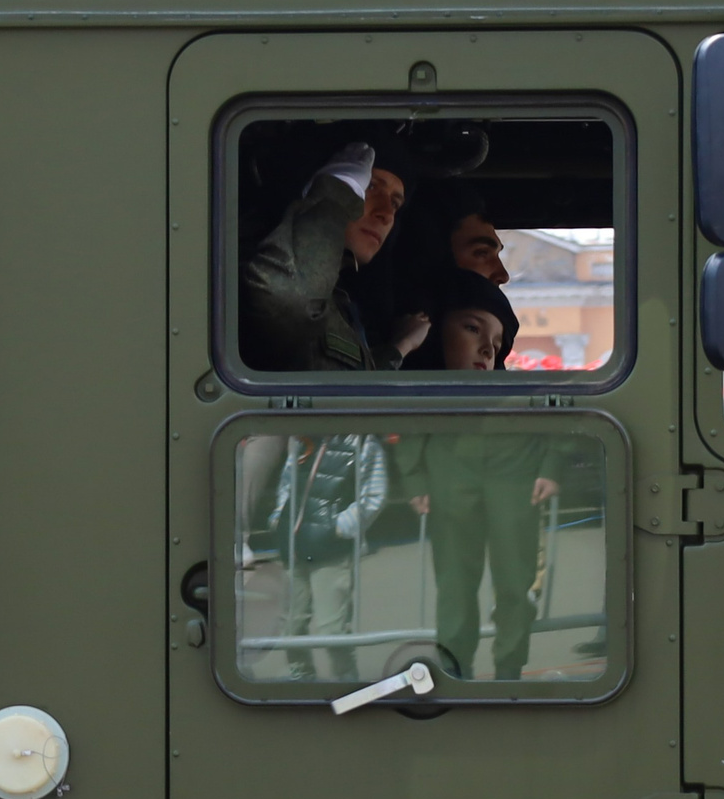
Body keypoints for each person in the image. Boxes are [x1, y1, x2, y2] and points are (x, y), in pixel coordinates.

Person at [396, 279, 562, 684]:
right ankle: (456, 671)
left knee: (514, 586)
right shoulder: (425, 389)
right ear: (437, 331)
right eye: (472, 328)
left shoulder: (517, 391)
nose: (489, 349)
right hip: (450, 481)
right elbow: (408, 427)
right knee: (454, 588)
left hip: (514, 480)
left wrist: (550, 467)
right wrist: (415, 477)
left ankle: (509, 672)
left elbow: (556, 424)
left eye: (497, 340)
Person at [239, 142, 417, 372]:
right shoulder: (254, 270)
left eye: (395, 203)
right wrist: (334, 194)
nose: (386, 214)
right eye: (369, 186)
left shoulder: (340, 304)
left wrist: (397, 350)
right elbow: (288, 299)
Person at [263, 435, 390, 681]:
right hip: (294, 545)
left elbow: (374, 494)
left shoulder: (363, 443)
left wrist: (338, 527)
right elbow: (287, 482)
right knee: (292, 622)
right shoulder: (303, 437)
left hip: (331, 550)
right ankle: (301, 674)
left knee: (333, 627)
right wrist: (280, 517)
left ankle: (346, 680)